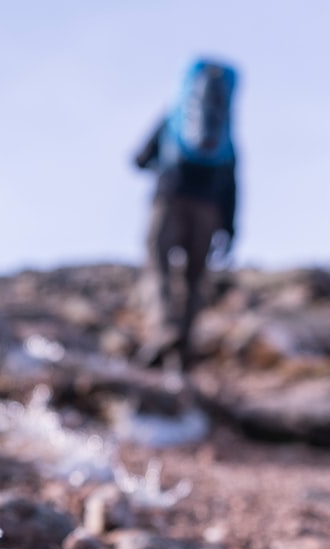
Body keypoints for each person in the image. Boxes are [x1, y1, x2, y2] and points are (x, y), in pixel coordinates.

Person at [134, 57, 238, 368]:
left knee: (158, 266)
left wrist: (159, 169)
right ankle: (184, 348)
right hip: (208, 208)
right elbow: (233, 180)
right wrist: (229, 227)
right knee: (194, 279)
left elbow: (139, 158)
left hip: (170, 198)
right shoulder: (225, 128)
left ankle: (165, 329)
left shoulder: (175, 115)